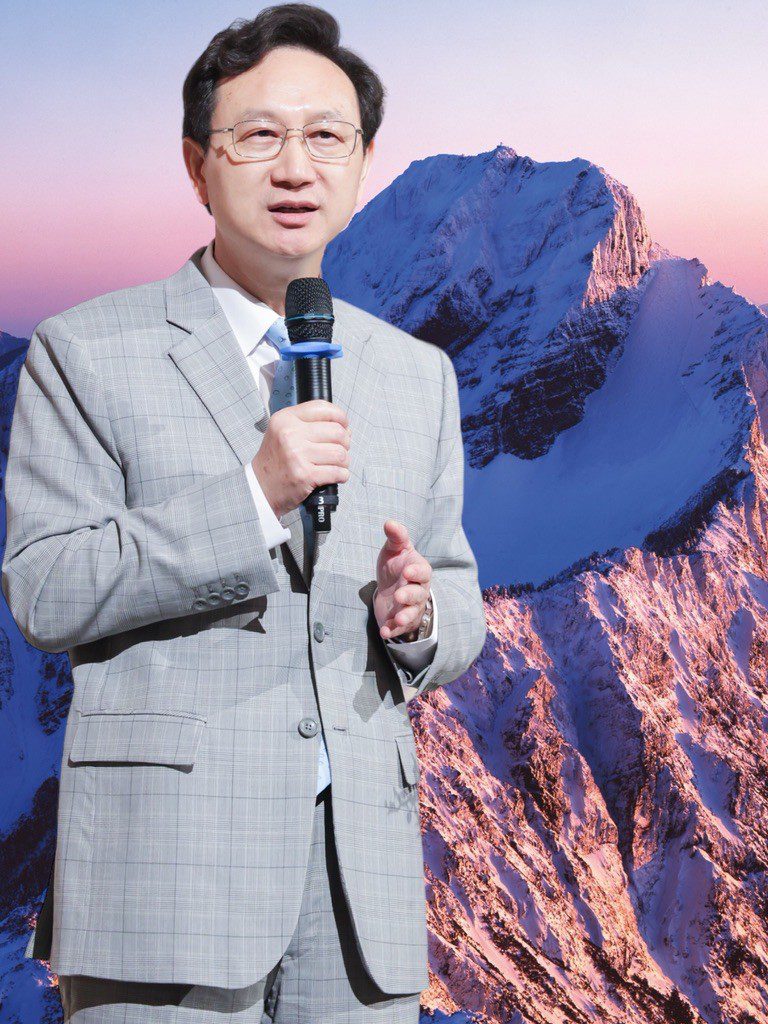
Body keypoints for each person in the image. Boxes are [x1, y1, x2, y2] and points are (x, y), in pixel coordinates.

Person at [2, 3, 486, 1020]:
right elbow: (46, 587)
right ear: (198, 165)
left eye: (328, 137)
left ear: (363, 164)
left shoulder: (416, 375)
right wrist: (252, 499)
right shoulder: (84, 351)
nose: (297, 168)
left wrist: (420, 619)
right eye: (259, 135)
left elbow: (454, 589)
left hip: (359, 896)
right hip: (162, 879)